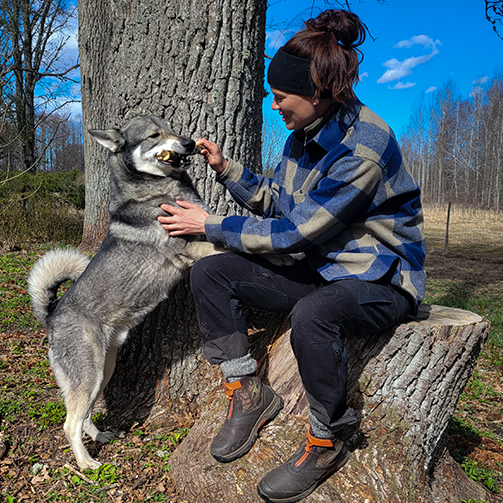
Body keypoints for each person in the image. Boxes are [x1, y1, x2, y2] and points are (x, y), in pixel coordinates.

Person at [158, 8, 426, 503]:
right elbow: (281, 204)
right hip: (322, 265)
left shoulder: (364, 147)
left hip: (379, 279)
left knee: (314, 314)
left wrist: (208, 224)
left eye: (281, 97)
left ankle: (327, 440)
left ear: (319, 93)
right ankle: (248, 392)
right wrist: (226, 169)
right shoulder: (302, 136)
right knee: (212, 272)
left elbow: (294, 234)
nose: (273, 104)